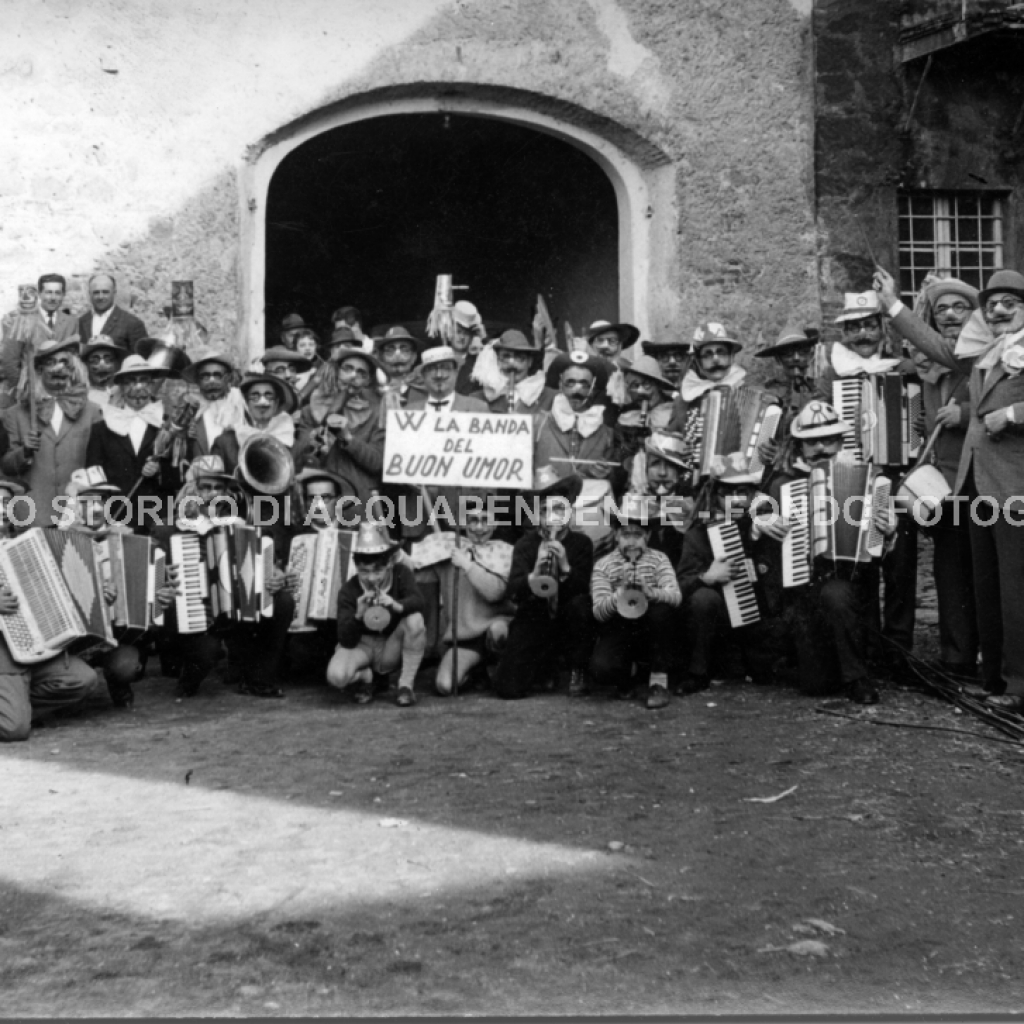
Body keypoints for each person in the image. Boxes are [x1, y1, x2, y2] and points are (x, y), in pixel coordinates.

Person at [874, 268, 1024, 709]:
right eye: (992, 305)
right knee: (988, 584)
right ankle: (994, 680)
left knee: (1015, 589)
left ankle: (1019, 686)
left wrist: (1013, 415)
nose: (997, 311)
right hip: (975, 484)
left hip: (1015, 488)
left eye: (1009, 305)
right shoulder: (983, 349)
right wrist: (893, 304)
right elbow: (937, 346)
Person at [751, 401, 896, 704]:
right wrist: (761, 519)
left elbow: (877, 548)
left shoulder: (866, 480)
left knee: (836, 595)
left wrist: (888, 531)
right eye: (811, 442)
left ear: (841, 442)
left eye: (828, 440)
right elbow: (754, 509)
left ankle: (857, 678)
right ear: (800, 446)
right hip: (800, 590)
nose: (820, 448)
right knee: (816, 685)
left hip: (847, 582)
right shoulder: (782, 482)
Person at [873, 268, 978, 681]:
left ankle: (992, 657)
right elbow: (909, 356)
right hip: (944, 483)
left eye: (960, 307)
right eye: (942, 309)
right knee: (949, 571)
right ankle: (957, 659)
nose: (951, 315)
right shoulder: (931, 365)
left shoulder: (982, 351)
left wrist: (964, 413)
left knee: (983, 572)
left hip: (982, 481)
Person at [813, 291, 919, 674]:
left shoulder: (903, 369)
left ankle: (899, 650)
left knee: (900, 564)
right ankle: (870, 647)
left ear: (881, 328)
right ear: (844, 333)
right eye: (853, 327)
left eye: (868, 325)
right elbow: (820, 424)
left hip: (895, 477)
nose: (862, 333)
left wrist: (914, 434)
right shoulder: (834, 375)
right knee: (863, 563)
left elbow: (919, 422)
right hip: (853, 478)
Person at [153, 455, 295, 699]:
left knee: (281, 601)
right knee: (204, 655)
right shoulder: (169, 530)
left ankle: (258, 678)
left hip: (235, 613)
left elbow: (265, 565)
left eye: (218, 487)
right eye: (204, 487)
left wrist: (275, 575)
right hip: (194, 615)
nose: (211, 493)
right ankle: (189, 675)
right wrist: (162, 578)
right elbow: (154, 582)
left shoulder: (238, 525)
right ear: (190, 490)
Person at [59, 467, 178, 709]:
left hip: (115, 636)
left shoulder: (127, 539)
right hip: (71, 641)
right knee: (74, 684)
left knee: (126, 666)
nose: (95, 508)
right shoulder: (57, 541)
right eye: (86, 501)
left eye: (101, 501)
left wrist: (160, 596)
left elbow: (151, 596)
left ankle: (118, 682)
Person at [0, 476, 99, 742]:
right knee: (14, 729)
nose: (1, 509)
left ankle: (16, 705)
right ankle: (14, 711)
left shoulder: (28, 544)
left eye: (5, 503)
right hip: (3, 657)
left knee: (83, 679)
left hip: (37, 646)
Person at [675, 452, 778, 696]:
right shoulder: (698, 533)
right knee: (703, 599)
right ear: (716, 495)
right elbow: (680, 585)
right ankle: (698, 673)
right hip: (716, 622)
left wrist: (757, 557)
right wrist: (707, 577)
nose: (738, 501)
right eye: (729, 493)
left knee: (765, 674)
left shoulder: (763, 524)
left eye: (745, 492)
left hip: (758, 620)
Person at [493, 469, 594, 700]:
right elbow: (513, 592)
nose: (552, 517)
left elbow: (583, 590)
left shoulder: (581, 543)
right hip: (536, 616)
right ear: (538, 515)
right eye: (545, 511)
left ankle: (578, 669)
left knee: (580, 606)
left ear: (569, 513)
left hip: (568, 618)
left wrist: (565, 566)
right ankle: (542, 667)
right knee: (507, 688)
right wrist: (533, 574)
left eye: (559, 510)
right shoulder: (525, 544)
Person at [588, 492, 681, 709]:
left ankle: (658, 682)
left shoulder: (659, 559)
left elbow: (676, 596)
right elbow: (598, 612)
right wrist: (620, 592)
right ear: (616, 536)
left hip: (652, 629)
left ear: (647, 536)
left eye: (637, 534)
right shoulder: (604, 564)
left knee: (663, 612)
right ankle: (627, 677)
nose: (631, 541)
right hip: (619, 627)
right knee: (601, 669)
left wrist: (650, 592)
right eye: (625, 534)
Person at [1, 337, 102, 527]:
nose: (59, 368)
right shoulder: (15, 414)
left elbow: (99, 465)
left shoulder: (93, 411)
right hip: (33, 514)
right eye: (51, 362)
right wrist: (24, 452)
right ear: (39, 370)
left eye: (65, 362)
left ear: (73, 369)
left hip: (78, 514)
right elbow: (7, 467)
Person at [328, 520, 426, 707]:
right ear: (356, 566)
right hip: (361, 647)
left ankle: (405, 686)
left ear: (389, 562)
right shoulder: (349, 590)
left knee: (415, 620)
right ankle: (366, 677)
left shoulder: (400, 573)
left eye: (377, 570)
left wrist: (397, 605)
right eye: (364, 571)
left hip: (390, 646)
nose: (371, 577)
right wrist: (358, 615)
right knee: (337, 677)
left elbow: (419, 602)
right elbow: (345, 640)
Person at [433, 500, 514, 696]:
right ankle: (476, 670)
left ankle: (498, 667)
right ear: (463, 523)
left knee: (498, 631)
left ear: (494, 524)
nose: (479, 527)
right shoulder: (448, 549)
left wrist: (468, 565)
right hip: (466, 637)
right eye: (473, 520)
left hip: (496, 626)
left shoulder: (505, 551)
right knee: (445, 685)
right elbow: (415, 570)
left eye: (485, 520)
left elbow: (495, 593)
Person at [305, 344, 388, 515]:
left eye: (361, 373)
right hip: (322, 505)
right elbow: (308, 458)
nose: (352, 376)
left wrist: (348, 439)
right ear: (337, 371)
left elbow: (377, 462)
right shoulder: (312, 408)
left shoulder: (378, 413)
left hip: (361, 504)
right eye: (347, 369)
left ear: (368, 380)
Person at [85, 354, 175, 510]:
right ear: (121, 387)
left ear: (152, 385)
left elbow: (177, 475)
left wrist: (159, 470)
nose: (138, 388)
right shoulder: (101, 429)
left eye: (143, 381)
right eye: (131, 381)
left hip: (156, 515)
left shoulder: (167, 426)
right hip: (116, 514)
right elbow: (93, 476)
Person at [535, 350, 617, 482]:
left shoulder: (606, 433)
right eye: (570, 383)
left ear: (592, 389)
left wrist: (603, 472)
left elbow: (612, 481)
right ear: (560, 384)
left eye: (584, 384)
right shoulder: (538, 423)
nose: (577, 390)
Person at [667, 321, 749, 439]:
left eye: (721, 352)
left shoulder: (747, 394)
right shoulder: (683, 403)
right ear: (697, 361)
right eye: (707, 354)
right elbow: (669, 445)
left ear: (731, 357)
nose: (715, 359)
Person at [211, 372, 297, 474]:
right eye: (255, 396)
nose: (262, 402)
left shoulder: (291, 440)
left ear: (277, 403)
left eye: (269, 396)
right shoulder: (224, 442)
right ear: (246, 403)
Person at [612, 354, 675, 479]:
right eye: (635, 386)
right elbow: (620, 457)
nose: (640, 391)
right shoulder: (625, 419)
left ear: (658, 386)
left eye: (647, 385)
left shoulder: (675, 413)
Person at [180, 347, 247, 461]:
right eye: (205, 376)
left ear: (228, 378)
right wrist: (185, 436)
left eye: (217, 375)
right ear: (198, 381)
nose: (211, 381)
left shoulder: (240, 406)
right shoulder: (192, 410)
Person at [470, 329, 556, 418]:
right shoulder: (476, 399)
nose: (512, 364)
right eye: (506, 357)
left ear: (529, 362)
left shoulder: (551, 398)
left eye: (520, 358)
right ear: (497, 361)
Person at [77, 273, 147, 350]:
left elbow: (141, 358)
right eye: (96, 292)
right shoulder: (80, 322)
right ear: (89, 294)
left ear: (114, 292)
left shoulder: (132, 323)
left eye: (105, 292)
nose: (101, 297)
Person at [81, 334, 129, 407]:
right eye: (95, 360)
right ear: (86, 364)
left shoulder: (126, 393)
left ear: (116, 363)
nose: (102, 364)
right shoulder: (80, 395)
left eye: (108, 359)